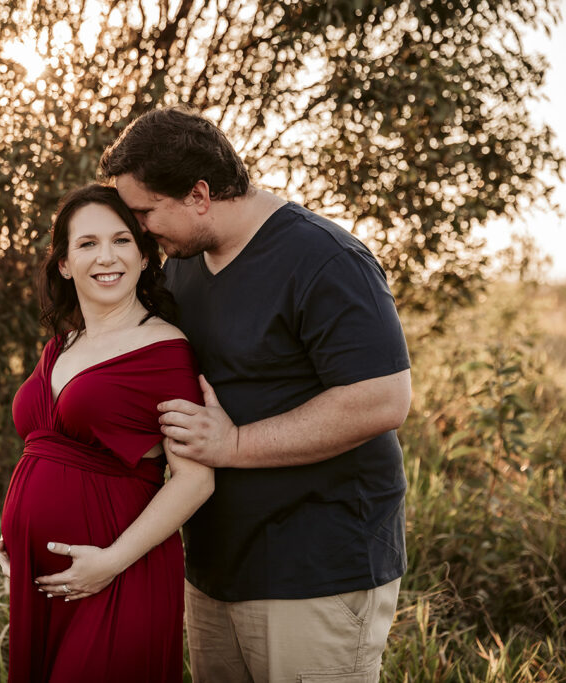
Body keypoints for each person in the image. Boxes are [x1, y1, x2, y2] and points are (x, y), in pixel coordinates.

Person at [98, 106, 413, 683]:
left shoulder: (324, 259)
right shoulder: (182, 268)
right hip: (216, 565)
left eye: (144, 211)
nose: (139, 228)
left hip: (317, 567)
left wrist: (234, 442)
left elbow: (382, 399)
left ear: (198, 194)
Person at [0, 183, 215, 682]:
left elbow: (195, 479)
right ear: (65, 265)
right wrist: (17, 532)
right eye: (87, 244)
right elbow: (45, 452)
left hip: (118, 573)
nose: (106, 256)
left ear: (142, 256)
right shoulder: (62, 346)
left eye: (121, 240)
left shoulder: (163, 351)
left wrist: (111, 562)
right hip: (49, 582)